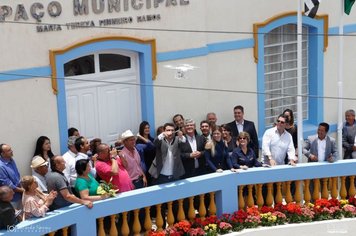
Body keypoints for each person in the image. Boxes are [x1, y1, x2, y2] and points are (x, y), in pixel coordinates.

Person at [0, 144, 23, 208]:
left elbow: (17, 176)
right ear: (2, 154)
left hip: (19, 195)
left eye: (11, 149)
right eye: (8, 150)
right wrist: (24, 190)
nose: (11, 151)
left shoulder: (11, 160)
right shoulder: (1, 166)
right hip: (11, 200)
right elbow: (8, 185)